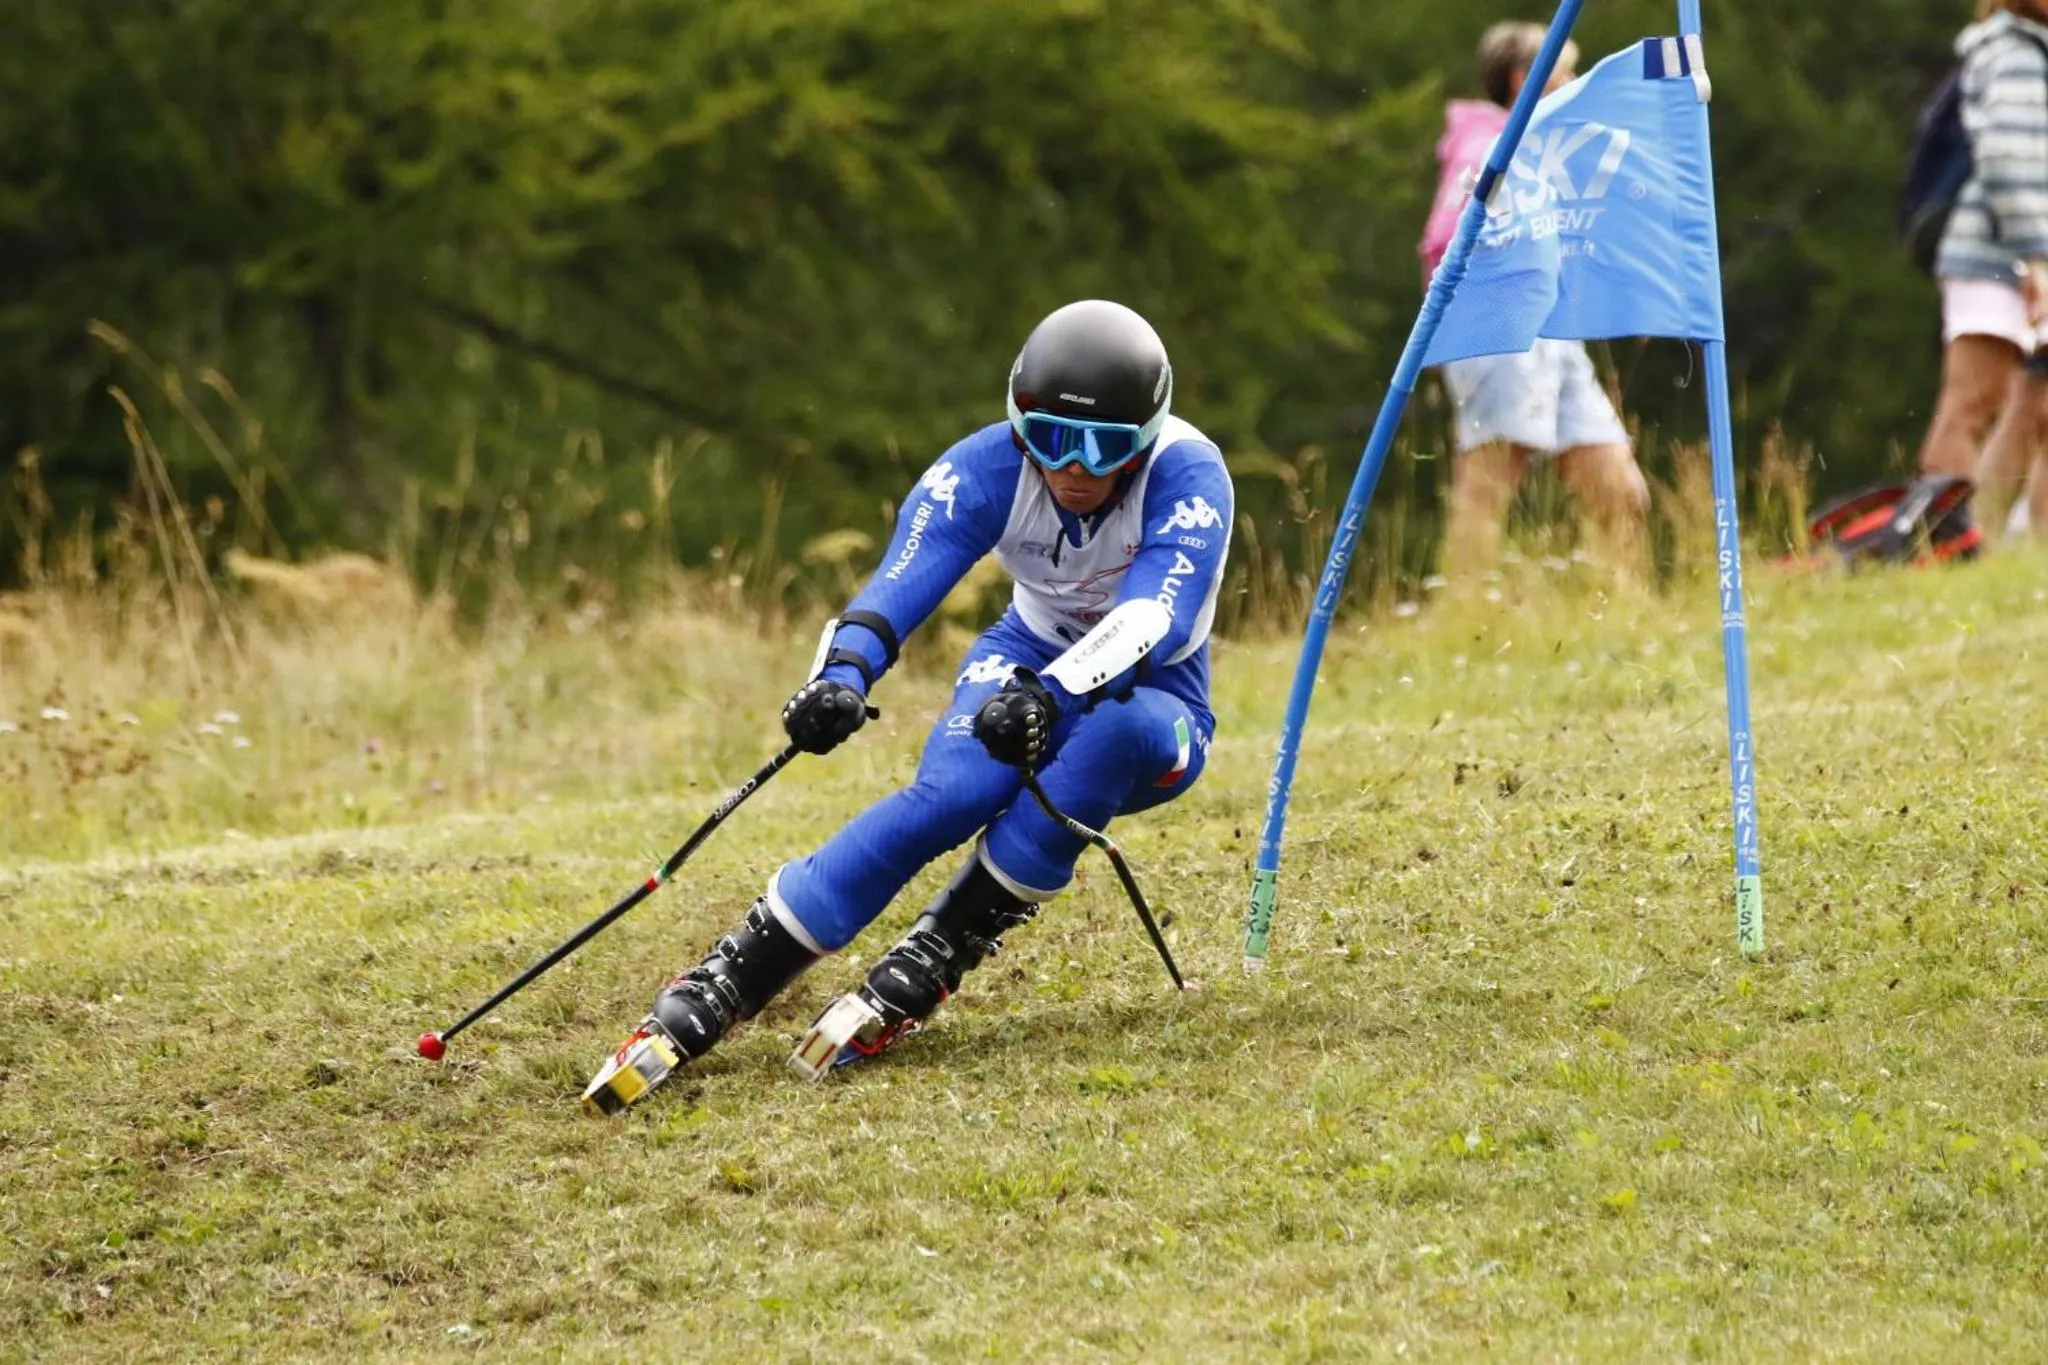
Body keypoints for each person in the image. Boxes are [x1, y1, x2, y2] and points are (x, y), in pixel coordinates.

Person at [584, 300, 1233, 1113]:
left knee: (1116, 737)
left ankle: (944, 943)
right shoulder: (988, 467)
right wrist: (839, 678)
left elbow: (1150, 615)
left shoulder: (1190, 475)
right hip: (1025, 653)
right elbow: (899, 583)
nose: (1073, 466)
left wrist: (1053, 693)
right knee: (957, 791)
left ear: (1147, 437)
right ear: (1016, 420)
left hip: (1156, 690)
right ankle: (733, 973)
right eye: (1051, 437)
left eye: (1106, 447)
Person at [1419, 21, 1651, 582]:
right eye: (1566, 72)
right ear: (1528, 78)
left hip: (1552, 329)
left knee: (1620, 489)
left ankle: (1630, 613)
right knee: (1493, 476)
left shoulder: (1545, 145)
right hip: (1498, 321)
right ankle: (1464, 611)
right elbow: (1445, 240)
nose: (1574, 82)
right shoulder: (1487, 146)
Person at [1917, 0, 2048, 541]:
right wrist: (2036, 255)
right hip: (2000, 257)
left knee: (2034, 406)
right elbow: (2008, 161)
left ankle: (2009, 547)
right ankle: (1937, 541)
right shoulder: (2015, 52)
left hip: (2019, 254)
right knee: (1969, 407)